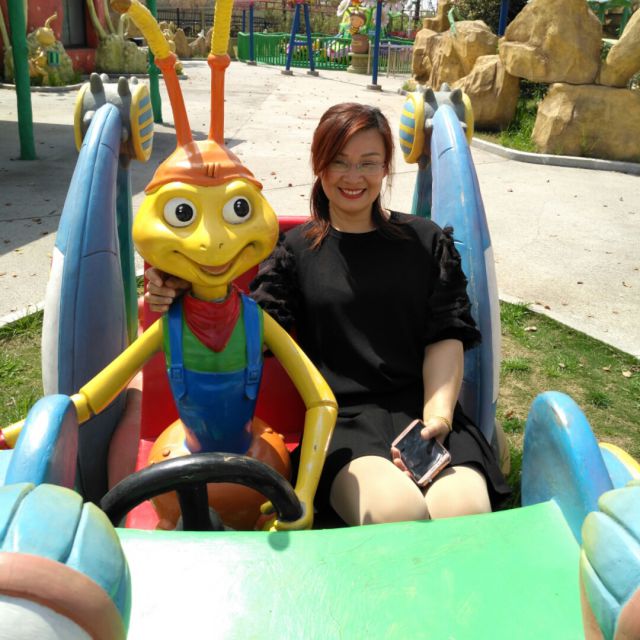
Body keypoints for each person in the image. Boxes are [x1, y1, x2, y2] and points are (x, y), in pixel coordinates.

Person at [146, 102, 511, 526]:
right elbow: (251, 331)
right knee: (398, 514)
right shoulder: (295, 251)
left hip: (425, 414)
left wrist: (438, 417)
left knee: (466, 514)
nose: (353, 176)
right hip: (343, 422)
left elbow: (445, 334)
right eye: (339, 161)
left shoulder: (424, 240)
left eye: (368, 163)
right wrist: (188, 286)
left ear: (385, 168)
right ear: (319, 165)